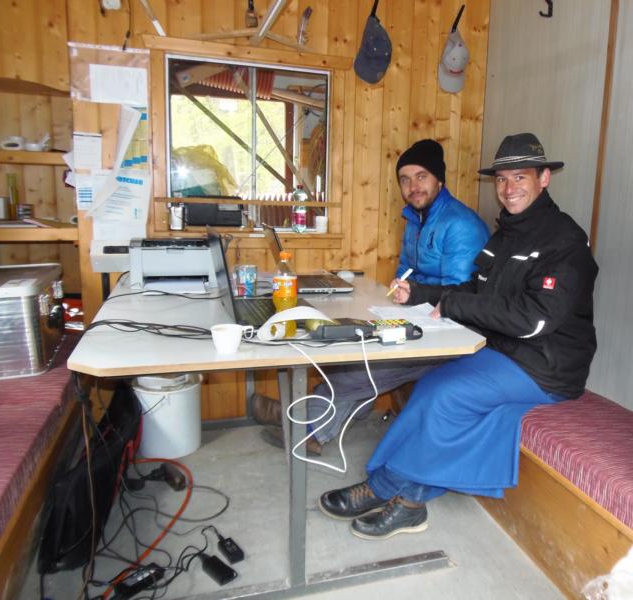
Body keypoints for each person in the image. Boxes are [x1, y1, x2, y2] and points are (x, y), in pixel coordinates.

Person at [318, 132, 599, 539]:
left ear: (543, 178)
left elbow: (535, 319)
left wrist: (454, 305)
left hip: (546, 366)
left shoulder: (564, 240)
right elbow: (476, 290)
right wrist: (423, 294)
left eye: (520, 177)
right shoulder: (508, 234)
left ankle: (391, 491)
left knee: (448, 396)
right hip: (508, 351)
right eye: (502, 179)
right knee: (432, 385)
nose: (509, 188)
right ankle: (396, 492)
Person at [255, 139, 490, 454]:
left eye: (421, 177)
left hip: (452, 332)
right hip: (420, 316)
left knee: (359, 367)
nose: (413, 187)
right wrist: (396, 295)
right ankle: (317, 416)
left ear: (439, 179)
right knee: (350, 340)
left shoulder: (460, 224)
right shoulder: (416, 218)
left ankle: (304, 426)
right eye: (405, 180)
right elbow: (406, 270)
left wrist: (412, 304)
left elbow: (460, 297)